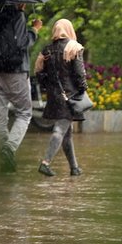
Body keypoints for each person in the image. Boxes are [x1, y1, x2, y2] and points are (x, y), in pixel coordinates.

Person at [0, 3, 42, 173]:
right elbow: (22, 43)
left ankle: (6, 159)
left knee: (0, 117)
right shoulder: (18, 15)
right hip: (16, 72)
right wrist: (34, 30)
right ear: (19, 1)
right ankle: (9, 149)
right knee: (24, 113)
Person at [34, 19, 87, 177]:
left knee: (66, 131)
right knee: (60, 129)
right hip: (69, 96)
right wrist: (83, 88)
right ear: (69, 30)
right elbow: (79, 73)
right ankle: (45, 162)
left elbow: (38, 72)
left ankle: (74, 168)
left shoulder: (47, 50)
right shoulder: (74, 47)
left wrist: (48, 86)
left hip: (54, 96)